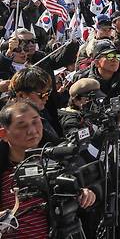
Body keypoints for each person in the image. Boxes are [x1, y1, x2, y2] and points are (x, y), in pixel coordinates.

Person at [0, 101, 97, 239]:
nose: (32, 130)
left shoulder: (61, 160)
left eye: (35, 121)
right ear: (3, 133)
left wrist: (86, 194)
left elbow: (91, 188)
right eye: (22, 125)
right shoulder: (4, 170)